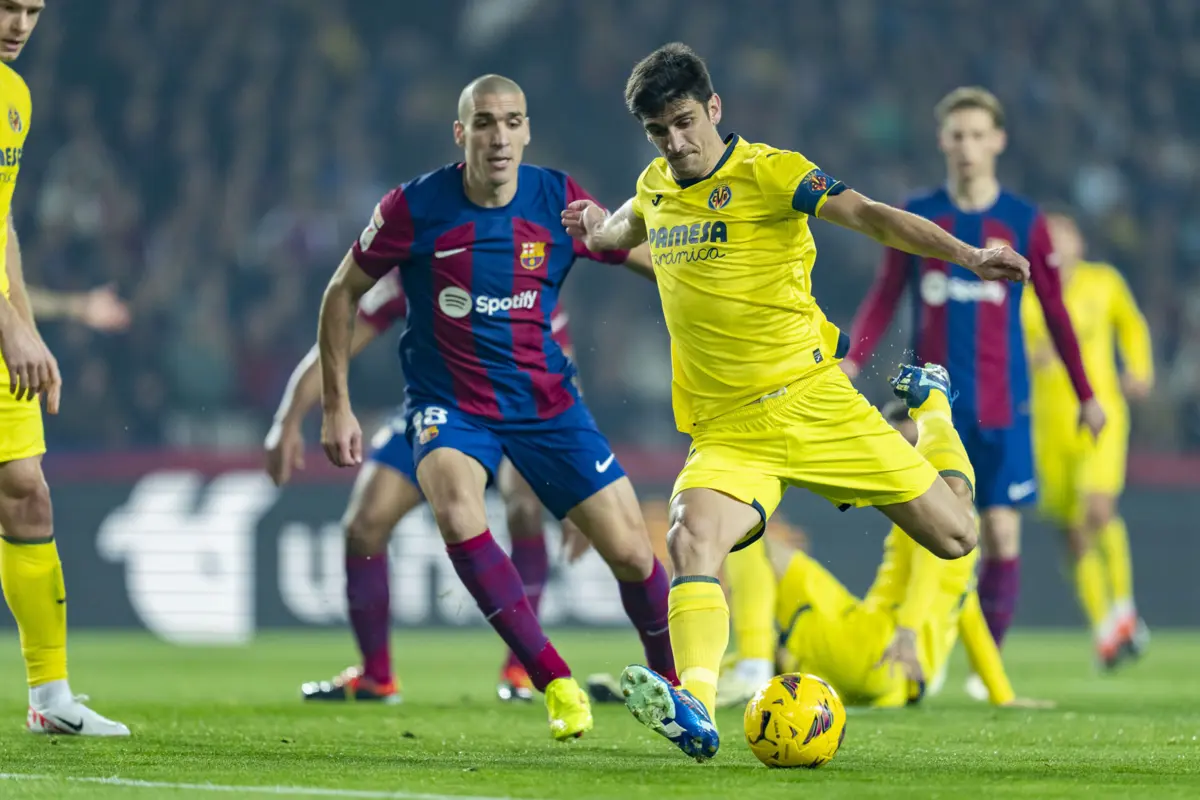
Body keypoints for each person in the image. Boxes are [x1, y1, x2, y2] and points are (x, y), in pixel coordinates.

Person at [563, 42, 1030, 762]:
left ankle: (930, 407)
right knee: (691, 535)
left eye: (686, 122)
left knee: (957, 536)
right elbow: (617, 231)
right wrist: (593, 226)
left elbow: (871, 216)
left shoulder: (772, 171)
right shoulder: (654, 187)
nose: (677, 142)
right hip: (728, 429)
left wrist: (967, 256)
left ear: (714, 108)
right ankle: (693, 696)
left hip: (814, 401)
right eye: (660, 131)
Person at [316, 74, 673, 742]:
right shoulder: (414, 208)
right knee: (454, 505)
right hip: (450, 403)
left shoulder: (558, 197)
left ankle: (676, 689)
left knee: (629, 552)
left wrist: (708, 272)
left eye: (512, 121)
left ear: (527, 129)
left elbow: (632, 253)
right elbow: (341, 293)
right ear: (462, 133)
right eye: (484, 122)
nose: (499, 135)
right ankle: (553, 679)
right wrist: (335, 406)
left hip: (546, 404)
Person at [843, 87, 1105, 681]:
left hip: (1002, 401)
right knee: (935, 526)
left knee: (1004, 537)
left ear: (998, 141)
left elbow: (1057, 313)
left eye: (976, 135)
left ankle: (984, 669)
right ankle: (922, 649)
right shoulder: (920, 213)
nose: (966, 146)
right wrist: (854, 360)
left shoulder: (1023, 221)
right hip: (934, 402)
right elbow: (885, 293)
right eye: (956, 135)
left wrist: (1087, 395)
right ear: (942, 141)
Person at [266, 267, 590, 703]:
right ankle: (376, 678)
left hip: (516, 416)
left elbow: (566, 378)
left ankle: (521, 670)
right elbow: (337, 345)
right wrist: (287, 419)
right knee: (363, 525)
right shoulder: (412, 274)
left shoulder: (523, 273)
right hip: (435, 411)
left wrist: (579, 481)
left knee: (526, 508)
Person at [0, 0, 128, 736]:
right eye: (7, 6)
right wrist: (11, 326)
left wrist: (30, 329)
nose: (19, 24)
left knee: (27, 496)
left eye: (33, 10)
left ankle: (50, 700)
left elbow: (2, 222)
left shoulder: (14, 97)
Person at [769, 399, 1051, 710]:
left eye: (913, 444)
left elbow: (927, 572)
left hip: (876, 649)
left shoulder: (922, 515)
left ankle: (763, 659)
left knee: (761, 545)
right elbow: (965, 609)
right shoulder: (964, 522)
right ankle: (778, 661)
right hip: (903, 685)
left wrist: (907, 632)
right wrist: (1003, 695)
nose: (910, 458)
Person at [1022, 211, 1152, 669]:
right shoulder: (1026, 293)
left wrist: (1139, 369)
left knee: (1099, 510)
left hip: (1100, 413)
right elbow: (1009, 350)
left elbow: (1132, 325)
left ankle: (1124, 611)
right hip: (1047, 425)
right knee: (1072, 532)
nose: (1056, 245)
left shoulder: (1104, 282)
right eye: (1047, 239)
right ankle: (1105, 631)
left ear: (1079, 241)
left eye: (1064, 236)